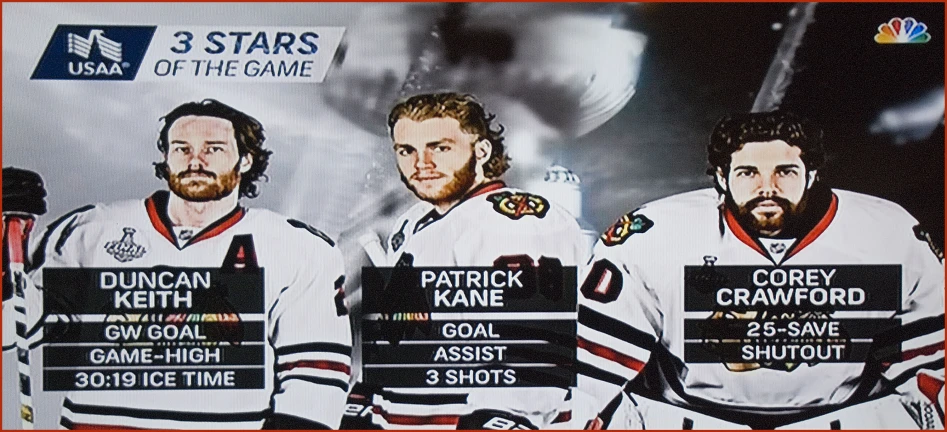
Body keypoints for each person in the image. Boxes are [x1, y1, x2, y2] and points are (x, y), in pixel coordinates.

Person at [576, 111, 944, 429]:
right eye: (748, 172)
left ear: (812, 173)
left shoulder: (889, 232)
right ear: (721, 176)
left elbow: (930, 368)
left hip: (846, 418)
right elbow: (591, 369)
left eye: (785, 171)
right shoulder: (654, 234)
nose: (767, 188)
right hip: (691, 418)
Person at [2, 99, 352, 429]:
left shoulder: (297, 247)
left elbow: (316, 376)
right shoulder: (91, 231)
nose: (194, 160)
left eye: (213, 149)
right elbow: (18, 330)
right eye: (181, 148)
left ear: (245, 160)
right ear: (166, 157)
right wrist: (3, 245)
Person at [345, 92, 590, 429]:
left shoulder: (517, 220)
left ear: (482, 150)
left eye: (440, 148)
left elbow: (532, 356)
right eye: (407, 150)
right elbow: (404, 333)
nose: (422, 163)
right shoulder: (415, 218)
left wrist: (504, 418)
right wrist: (367, 398)